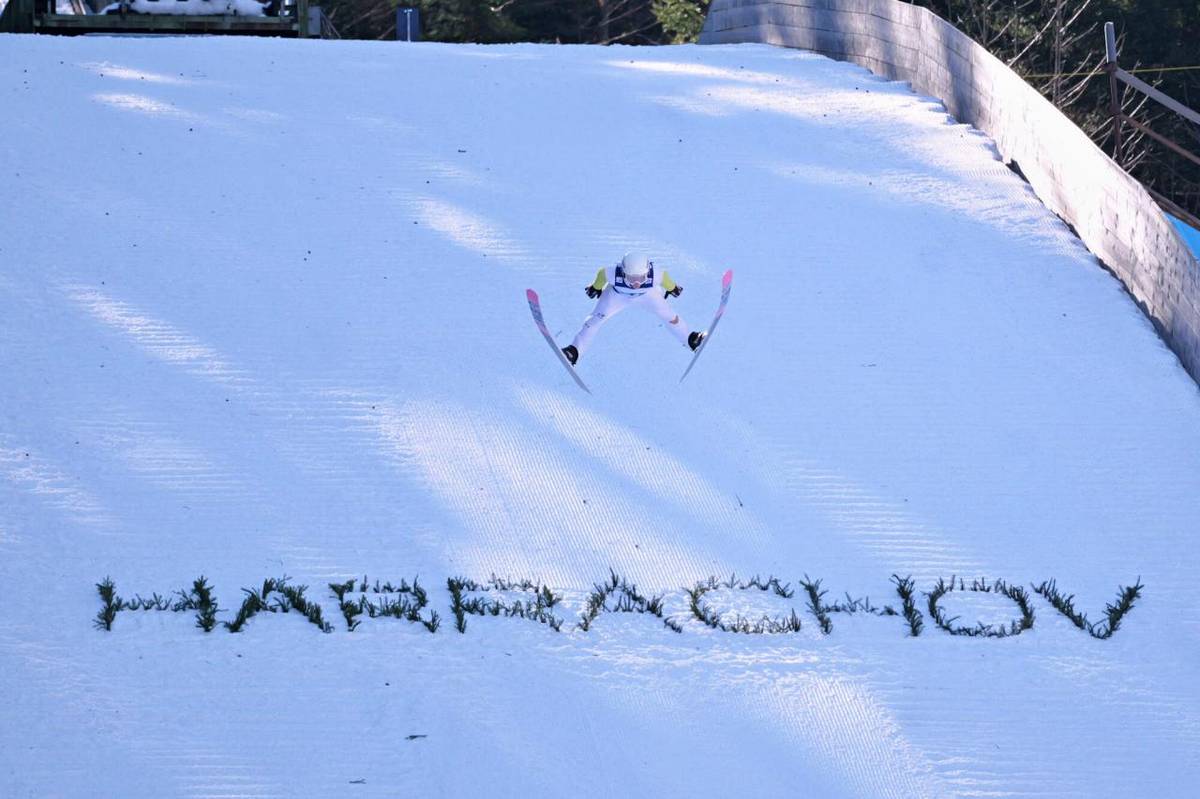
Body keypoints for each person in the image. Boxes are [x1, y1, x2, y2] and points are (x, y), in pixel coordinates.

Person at [562, 252, 705, 366]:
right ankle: (574, 351)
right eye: (631, 278)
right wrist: (595, 287)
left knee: (671, 317)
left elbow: (668, 283)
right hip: (616, 296)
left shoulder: (657, 275)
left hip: (647, 295)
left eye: (641, 278)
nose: (636, 283)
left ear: (647, 271)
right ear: (623, 271)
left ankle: (690, 340)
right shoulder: (611, 273)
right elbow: (601, 276)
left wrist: (673, 288)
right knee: (593, 321)